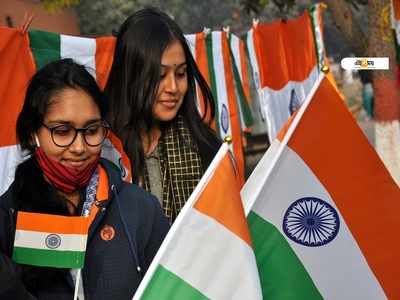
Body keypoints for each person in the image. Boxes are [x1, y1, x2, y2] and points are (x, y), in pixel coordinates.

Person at [0, 59, 169, 299]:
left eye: (91, 131)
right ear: (32, 133)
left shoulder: (141, 210)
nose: (79, 147)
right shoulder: (7, 216)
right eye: (62, 131)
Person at [105, 8, 221, 223]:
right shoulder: (103, 152)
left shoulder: (204, 148)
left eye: (180, 73)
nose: (173, 87)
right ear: (130, 76)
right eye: (159, 75)